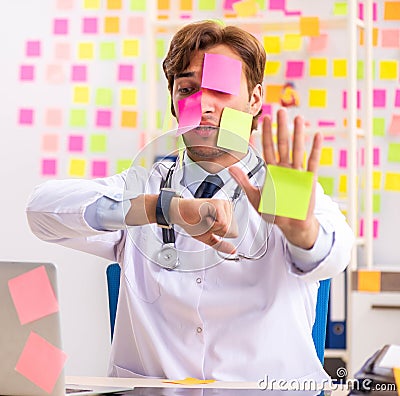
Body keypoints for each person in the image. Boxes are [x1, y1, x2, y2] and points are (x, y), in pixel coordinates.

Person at [26, 20, 354, 382]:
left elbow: (334, 255)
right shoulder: (145, 187)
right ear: (173, 102)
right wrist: (161, 209)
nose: (204, 106)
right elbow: (42, 212)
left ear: (255, 99)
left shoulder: (288, 194)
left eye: (221, 90)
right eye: (188, 89)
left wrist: (302, 231)